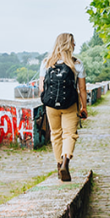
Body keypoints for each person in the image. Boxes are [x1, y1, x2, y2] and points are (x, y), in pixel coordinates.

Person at [38, 33, 87, 181]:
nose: (75, 45)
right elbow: (82, 89)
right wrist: (83, 107)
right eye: (73, 43)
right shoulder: (76, 64)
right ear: (68, 45)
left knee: (56, 134)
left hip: (51, 105)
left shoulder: (47, 63)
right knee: (69, 134)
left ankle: (59, 165)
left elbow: (41, 88)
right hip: (70, 104)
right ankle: (66, 161)